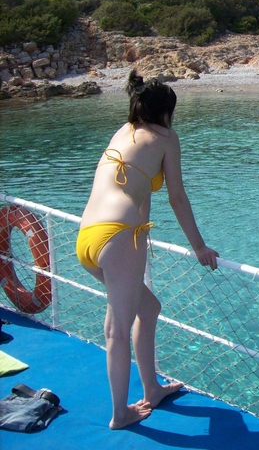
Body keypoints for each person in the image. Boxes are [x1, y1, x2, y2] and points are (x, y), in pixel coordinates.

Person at [76, 70, 219, 429]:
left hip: (87, 238)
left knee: (149, 308)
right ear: (166, 113)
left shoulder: (123, 132)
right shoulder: (166, 138)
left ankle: (151, 387)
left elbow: (136, 192)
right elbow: (176, 196)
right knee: (117, 330)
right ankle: (119, 414)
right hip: (119, 235)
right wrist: (198, 246)